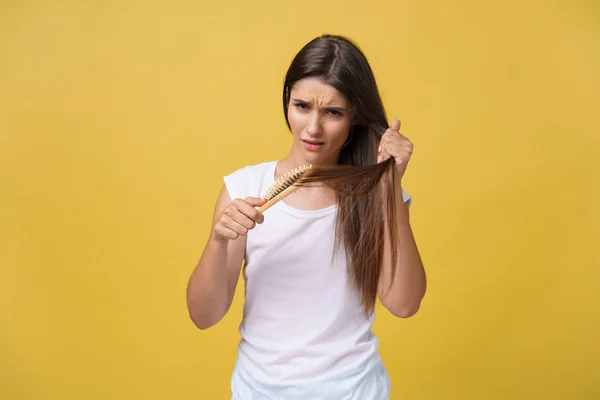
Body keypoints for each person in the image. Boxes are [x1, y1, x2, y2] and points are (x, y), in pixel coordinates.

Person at [186, 34, 426, 400]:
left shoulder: (376, 194)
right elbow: (204, 316)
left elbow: (405, 304)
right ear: (286, 101)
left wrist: (390, 186)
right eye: (301, 106)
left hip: (356, 392)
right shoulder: (244, 188)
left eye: (332, 112)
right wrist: (218, 242)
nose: (312, 129)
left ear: (354, 116)